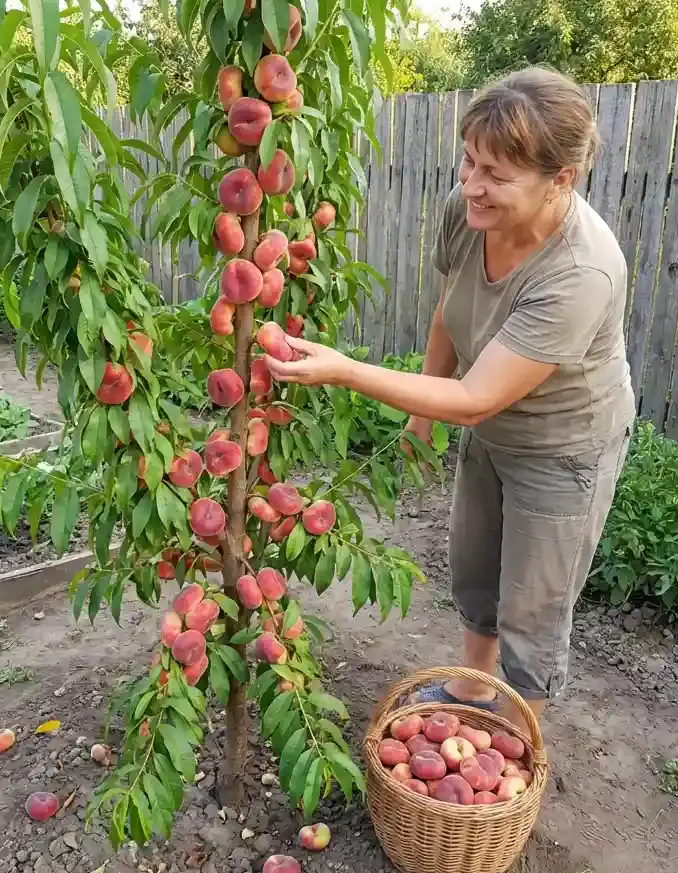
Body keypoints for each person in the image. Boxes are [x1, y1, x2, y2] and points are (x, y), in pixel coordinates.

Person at [263, 66, 635, 727]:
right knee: (474, 568)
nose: (471, 185)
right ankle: (470, 690)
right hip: (488, 428)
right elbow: (449, 315)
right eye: (468, 161)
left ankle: (518, 732)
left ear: (561, 179)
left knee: (535, 602)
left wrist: (347, 370)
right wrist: (416, 414)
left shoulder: (583, 271)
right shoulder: (469, 217)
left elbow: (474, 398)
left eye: (495, 173)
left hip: (562, 446)